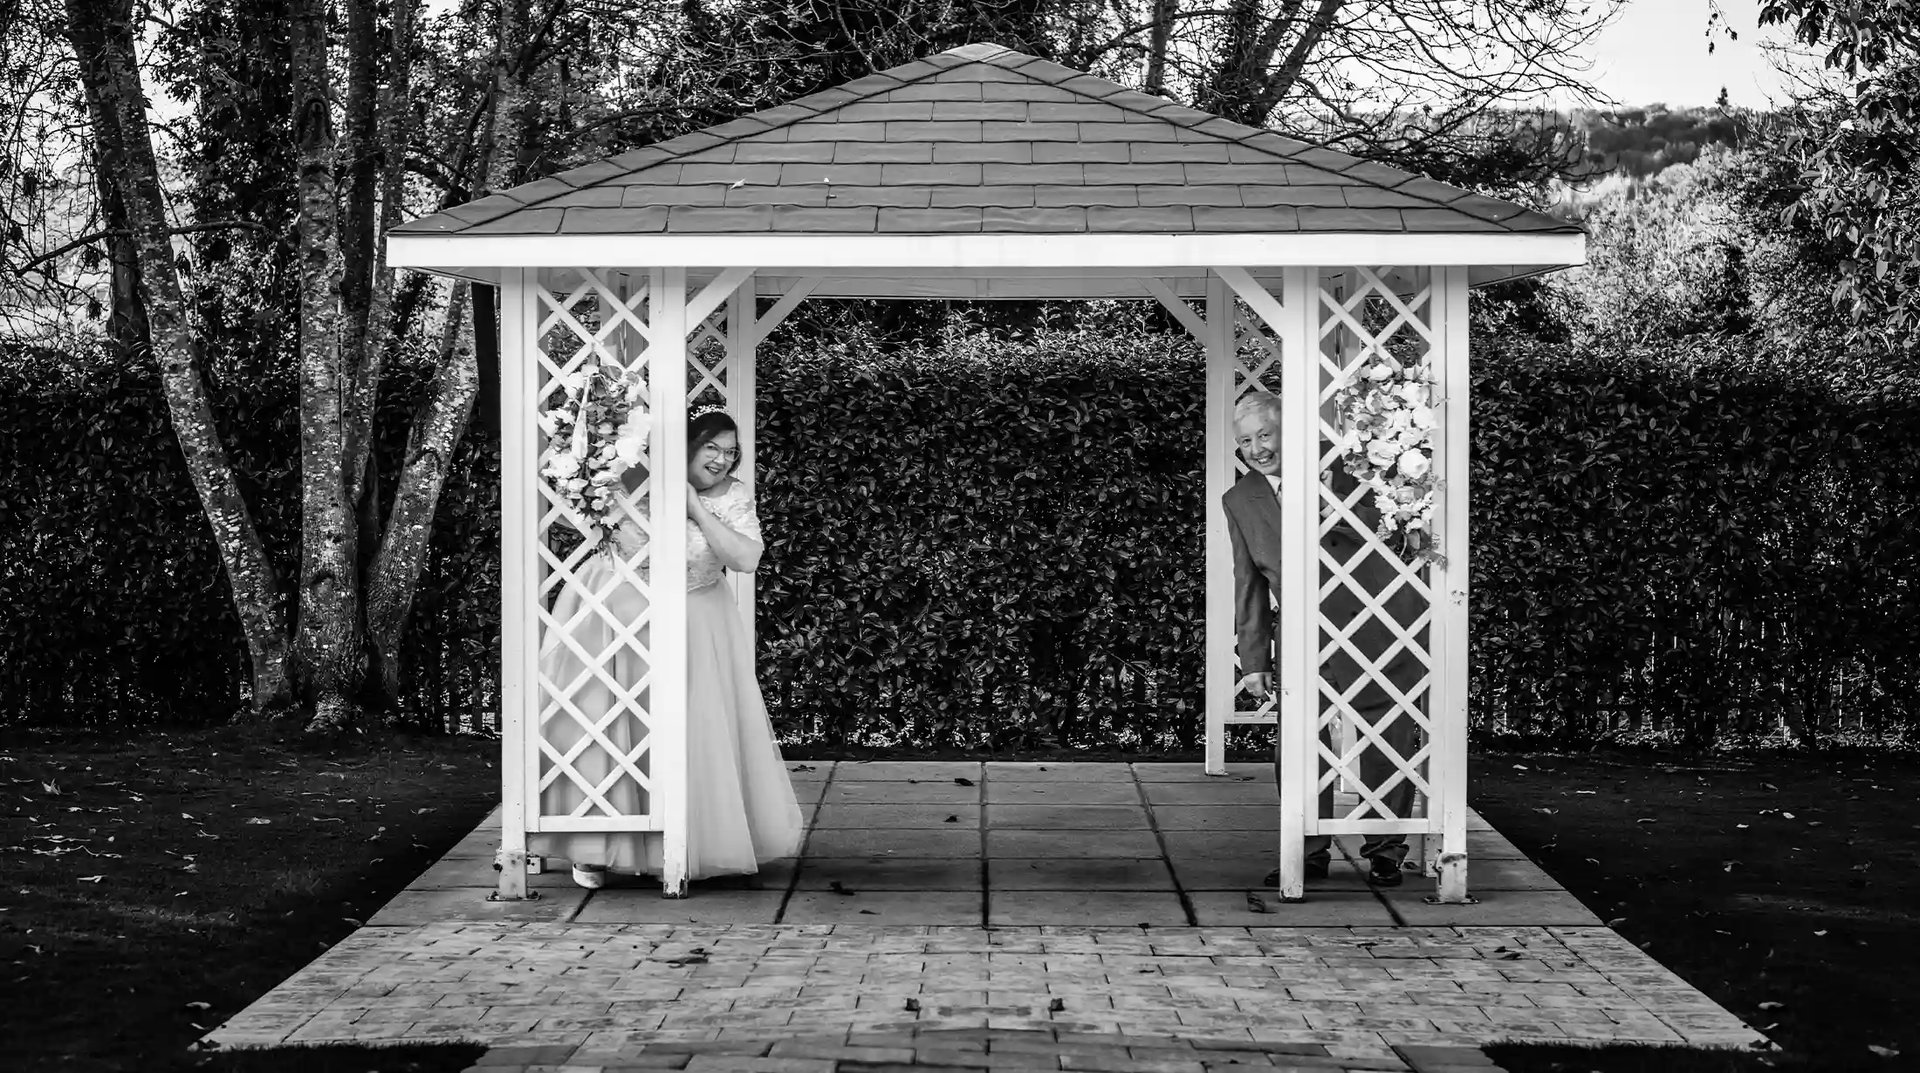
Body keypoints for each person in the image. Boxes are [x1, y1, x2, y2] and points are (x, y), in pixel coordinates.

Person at [531, 405, 803, 888]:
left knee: (696, 728)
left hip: (698, 617)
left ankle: (685, 841)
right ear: (688, 446)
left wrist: (695, 506)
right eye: (711, 448)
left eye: (730, 451)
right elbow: (577, 510)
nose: (721, 460)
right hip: (618, 616)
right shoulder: (632, 477)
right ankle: (596, 844)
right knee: (607, 721)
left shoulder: (731, 496)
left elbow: (744, 558)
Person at [1222, 390, 1424, 889]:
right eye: (1245, 441)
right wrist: (1253, 659)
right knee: (1295, 743)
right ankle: (1305, 848)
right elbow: (1247, 582)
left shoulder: (1350, 471)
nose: (1256, 449)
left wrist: (1329, 497)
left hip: (1376, 623)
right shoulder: (1239, 499)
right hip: (1302, 634)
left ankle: (1385, 849)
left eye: (1264, 435)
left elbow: (1392, 533)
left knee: (1389, 736)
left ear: (1287, 429)